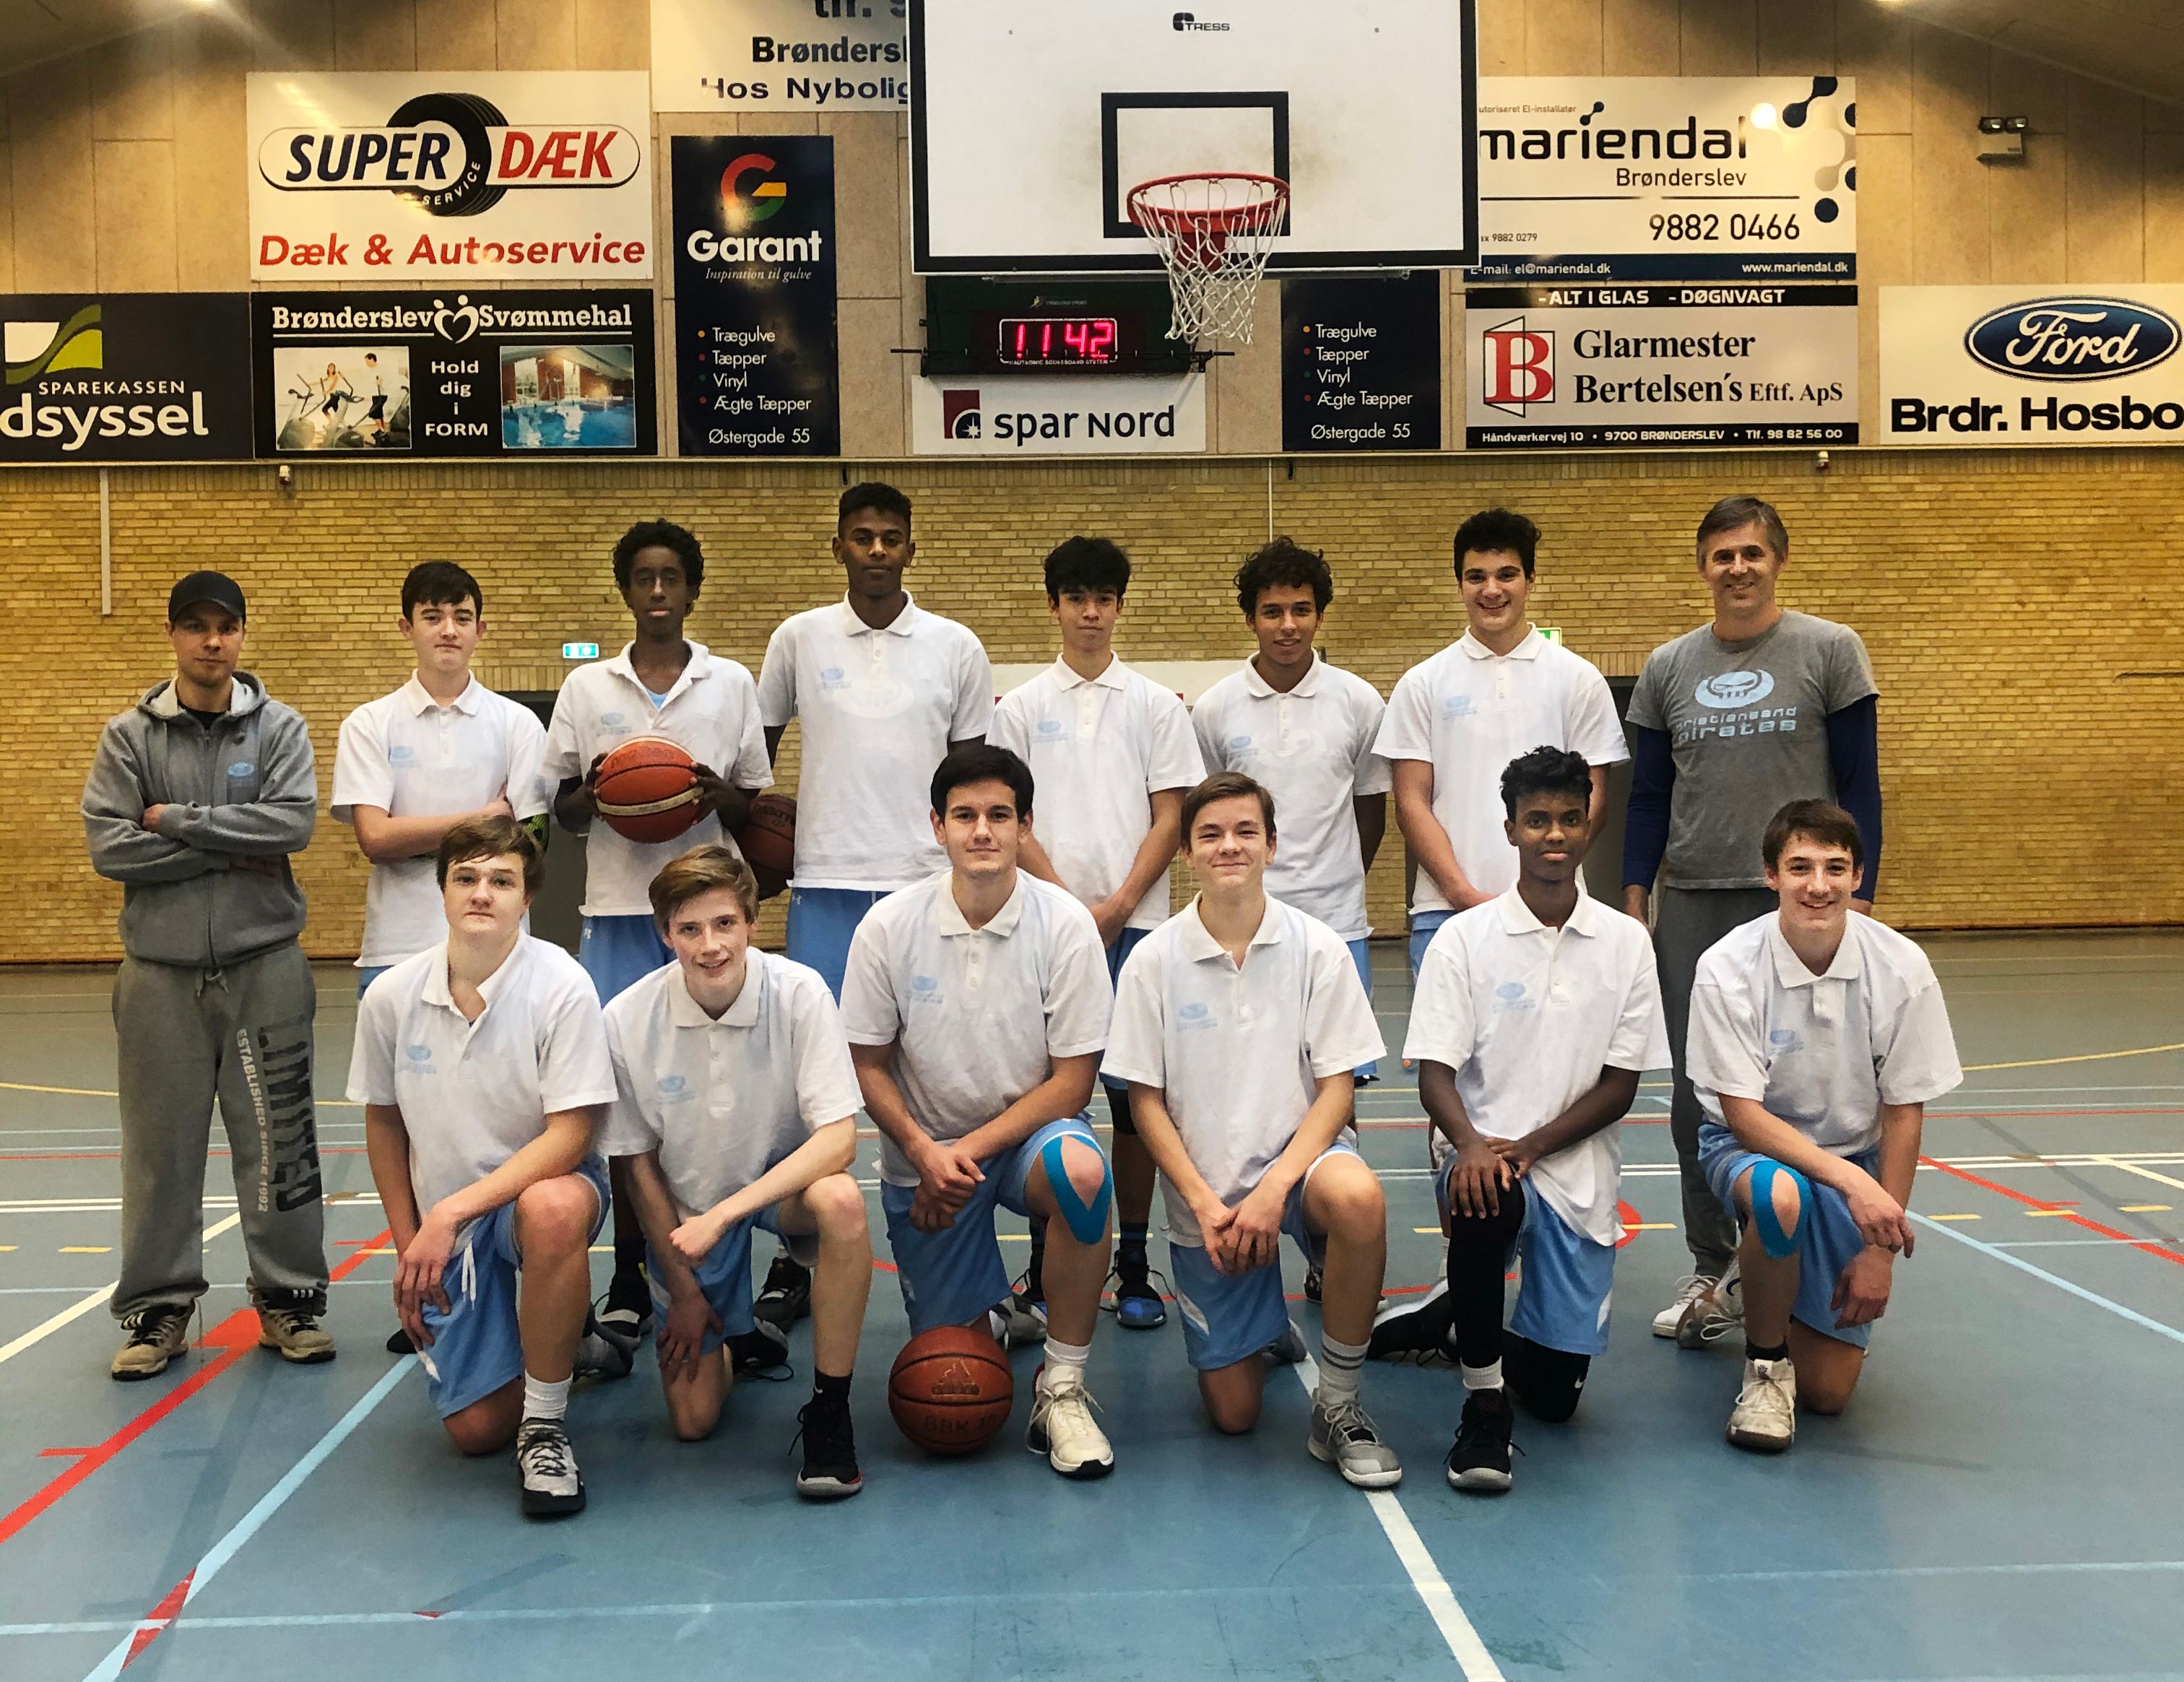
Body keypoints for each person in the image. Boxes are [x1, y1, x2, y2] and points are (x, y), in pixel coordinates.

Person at [1369, 747, 1669, 1494]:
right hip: (1482, 1156)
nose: (1554, 834)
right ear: (1510, 830)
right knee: (1486, 1194)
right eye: (1537, 820)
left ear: (1590, 825)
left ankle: (1454, 1320)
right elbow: (1435, 1073)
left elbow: (1621, 1086)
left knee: (1557, 1399)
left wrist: (1530, 1147)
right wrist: (1472, 1145)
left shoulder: (1627, 943)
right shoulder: (1464, 939)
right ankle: (1483, 1408)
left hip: (1574, 1169)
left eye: (1569, 818)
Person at [1622, 496, 1883, 1348]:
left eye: (1752, 553)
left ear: (1778, 560)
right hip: (1695, 901)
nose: (1738, 568)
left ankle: (1799, 1253)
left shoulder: (1830, 650)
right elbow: (1649, 795)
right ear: (1703, 566)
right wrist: (1636, 893)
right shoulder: (1668, 667)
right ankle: (1714, 1264)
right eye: (1722, 555)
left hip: (1798, 901)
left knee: (1801, 1085)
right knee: (1699, 1093)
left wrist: (1859, 896)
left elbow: (1861, 781)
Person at [1104, 771, 1400, 1488]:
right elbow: (1145, 1104)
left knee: (1359, 1197)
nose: (1228, 845)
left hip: (1300, 1174)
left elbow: (1336, 1090)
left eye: (1245, 831)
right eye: (1210, 834)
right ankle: (1262, 1324)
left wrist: (1273, 1190)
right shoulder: (1152, 961)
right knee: (1234, 1415)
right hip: (1207, 1202)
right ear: (1186, 853)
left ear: (1272, 845)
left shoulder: (1318, 948)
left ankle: (1338, 1401)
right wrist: (1206, 1204)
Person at [839, 745, 1118, 1480]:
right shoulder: (888, 927)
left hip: (1022, 1141)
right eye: (965, 816)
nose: (983, 830)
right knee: (954, 1376)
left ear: (1026, 825)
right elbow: (868, 1064)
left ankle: (1062, 1387)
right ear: (938, 826)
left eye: (1000, 814)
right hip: (926, 1158)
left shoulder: (1065, 924)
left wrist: (962, 1153)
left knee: (1083, 1172)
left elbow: (1073, 1083)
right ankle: (995, 1311)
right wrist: (923, 1151)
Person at [82, 569, 332, 1382]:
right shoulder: (129, 737)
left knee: (281, 1142)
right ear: (174, 635)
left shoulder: (281, 728)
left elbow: (292, 824)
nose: (212, 640)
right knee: (160, 1150)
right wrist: (229, 847)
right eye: (196, 626)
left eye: (226, 626)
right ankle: (159, 1308)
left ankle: (289, 1299)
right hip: (159, 975)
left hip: (267, 966)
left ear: (242, 634)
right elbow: (111, 846)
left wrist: (182, 823)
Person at [755, 482, 992, 1332]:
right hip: (823, 886)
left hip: (927, 890)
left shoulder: (956, 646)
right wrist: (757, 851)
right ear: (839, 548)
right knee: (811, 1083)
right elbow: (757, 761)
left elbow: (973, 778)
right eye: (863, 536)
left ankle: (959, 1251)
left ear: (912, 548)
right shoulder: (798, 638)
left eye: (893, 536)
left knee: (935, 1075)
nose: (879, 549)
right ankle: (795, 1255)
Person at [348, 815, 618, 1517]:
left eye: (502, 879)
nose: (481, 892)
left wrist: (450, 1212)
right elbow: (385, 1122)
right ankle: (572, 1340)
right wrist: (410, 1245)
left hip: (541, 1194)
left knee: (552, 1210)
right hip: (453, 1225)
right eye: (465, 876)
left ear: (526, 898)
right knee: (475, 1432)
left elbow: (573, 1133)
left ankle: (545, 1426)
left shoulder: (562, 984)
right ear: (441, 890)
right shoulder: (390, 997)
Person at [543, 520, 771, 1349]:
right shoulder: (586, 688)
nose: (659, 591)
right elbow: (561, 808)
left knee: (719, 1101)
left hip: (708, 918)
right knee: (622, 1103)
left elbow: (755, 803)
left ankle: (721, 1286)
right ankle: (630, 1277)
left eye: (672, 577)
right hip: (616, 913)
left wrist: (712, 794)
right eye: (644, 577)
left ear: (692, 588)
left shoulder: (731, 682)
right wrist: (602, 793)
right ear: (626, 589)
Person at [1686, 800, 1959, 1454]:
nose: (1818, 885)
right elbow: (1743, 1115)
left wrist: (1878, 1250)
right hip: (1747, 1148)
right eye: (1800, 866)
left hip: (1854, 1156)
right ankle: (1764, 1370)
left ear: (1857, 875)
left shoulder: (1901, 966)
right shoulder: (1727, 966)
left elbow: (1904, 1110)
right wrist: (1854, 1187)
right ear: (1771, 875)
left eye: (1835, 868)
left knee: (1829, 1395)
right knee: (1782, 1196)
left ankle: (1748, 1279)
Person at [602, 845, 872, 1495]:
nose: (710, 945)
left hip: (781, 1191)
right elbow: (638, 1165)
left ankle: (830, 1410)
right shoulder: (626, 1019)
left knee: (841, 1201)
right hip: (690, 1210)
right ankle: (738, 1337)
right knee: (692, 1422)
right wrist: (684, 1290)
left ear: (751, 920)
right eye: (690, 929)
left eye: (724, 923)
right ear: (665, 933)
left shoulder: (801, 992)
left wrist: (728, 1213)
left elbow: (839, 1139)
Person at [989, 536, 1202, 1335]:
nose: (1090, 612)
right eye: (1076, 597)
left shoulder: (1155, 705)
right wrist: (1066, 905)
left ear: (1119, 606)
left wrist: (1116, 904)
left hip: (1136, 927)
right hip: (1041, 929)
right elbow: (1012, 817)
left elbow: (1170, 816)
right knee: (1054, 1096)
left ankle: (1135, 1263)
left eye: (1103, 598)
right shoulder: (1017, 709)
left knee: (1135, 1100)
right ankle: (1048, 1267)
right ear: (1054, 605)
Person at [1376, 509, 1628, 980]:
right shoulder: (1421, 683)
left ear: (1531, 580)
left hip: (1554, 911)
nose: (1491, 590)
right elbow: (1411, 804)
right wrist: (1462, 894)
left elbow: (1594, 800)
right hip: (1445, 916)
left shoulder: (1579, 679)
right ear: (1460, 584)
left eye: (1506, 574)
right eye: (1476, 577)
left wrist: (1542, 888)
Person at [1192, 538, 1389, 1080]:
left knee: (1341, 1075)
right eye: (1272, 611)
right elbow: (1208, 816)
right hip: (1243, 920)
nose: (1288, 626)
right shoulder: (1214, 709)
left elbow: (1371, 809)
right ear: (1251, 619)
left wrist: (1336, 877)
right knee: (1251, 1070)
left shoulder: (1360, 702)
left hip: (1338, 920)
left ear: (1319, 616)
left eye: (1301, 610)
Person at [333, 562, 546, 999]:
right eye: (433, 617)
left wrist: (411, 837)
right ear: (406, 628)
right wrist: (486, 819)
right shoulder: (368, 723)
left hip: (498, 944)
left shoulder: (519, 723)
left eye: (462, 618)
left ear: (480, 630)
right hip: (397, 944)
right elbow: (376, 839)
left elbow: (531, 841)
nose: (449, 630)